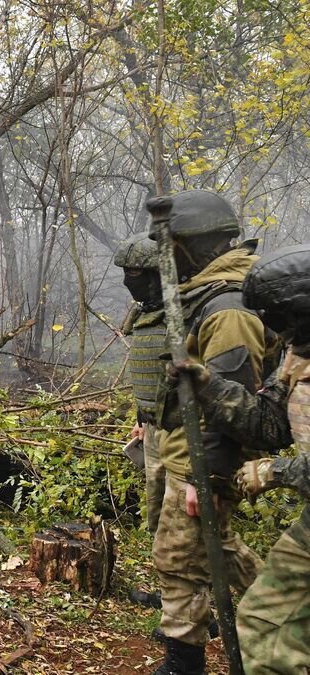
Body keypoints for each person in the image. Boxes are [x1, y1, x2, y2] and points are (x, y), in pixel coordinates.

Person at [145, 190, 280, 675]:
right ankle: (283, 602)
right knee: (205, 549)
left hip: (204, 457)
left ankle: (184, 665)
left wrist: (212, 475)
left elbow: (236, 404)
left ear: (193, 246)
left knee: (180, 561)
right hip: (188, 450)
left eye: (172, 248)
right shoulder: (207, 296)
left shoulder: (227, 308)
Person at [172, 243, 310, 674]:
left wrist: (275, 471)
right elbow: (268, 424)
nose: (273, 327)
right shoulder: (298, 356)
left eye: (276, 315)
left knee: (269, 626)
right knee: (266, 621)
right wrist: (208, 385)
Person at [114, 233, 168, 535]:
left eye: (133, 273)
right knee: (157, 519)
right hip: (153, 427)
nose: (127, 281)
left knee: (185, 527)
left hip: (182, 434)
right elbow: (150, 371)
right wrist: (141, 419)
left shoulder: (184, 314)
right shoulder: (147, 313)